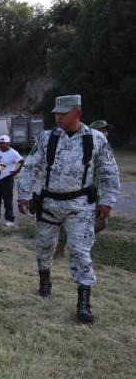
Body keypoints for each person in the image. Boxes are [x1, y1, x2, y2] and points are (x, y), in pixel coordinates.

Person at [17, 95, 119, 323]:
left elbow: (109, 172)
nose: (57, 117)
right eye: (56, 113)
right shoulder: (46, 138)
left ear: (78, 113)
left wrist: (107, 201)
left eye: (63, 113)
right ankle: (45, 281)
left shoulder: (96, 139)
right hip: (49, 205)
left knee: (80, 251)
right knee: (44, 246)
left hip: (80, 207)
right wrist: (23, 194)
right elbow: (31, 166)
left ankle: (83, 303)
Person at [55, 119, 112, 257]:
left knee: (101, 223)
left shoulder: (104, 148)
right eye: (102, 129)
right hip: (80, 194)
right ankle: (59, 249)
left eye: (106, 130)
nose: (106, 132)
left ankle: (79, 242)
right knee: (70, 221)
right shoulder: (82, 147)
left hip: (96, 194)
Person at [0, 135, 23, 226]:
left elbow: (22, 161)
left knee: (7, 200)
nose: (0, 145)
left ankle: (9, 220)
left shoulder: (13, 153)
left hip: (6, 179)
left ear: (8, 143)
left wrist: (15, 172)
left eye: (2, 143)